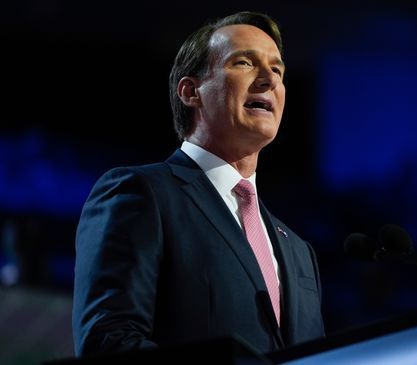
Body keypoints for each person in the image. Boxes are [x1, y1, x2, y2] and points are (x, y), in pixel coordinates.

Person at [72, 11, 325, 357]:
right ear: (192, 91)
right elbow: (109, 340)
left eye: (278, 70)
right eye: (244, 63)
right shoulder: (142, 194)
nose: (269, 79)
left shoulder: (298, 251)